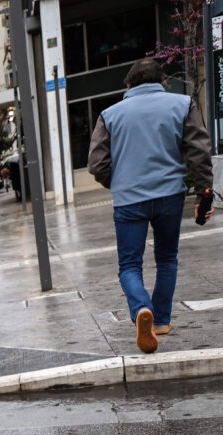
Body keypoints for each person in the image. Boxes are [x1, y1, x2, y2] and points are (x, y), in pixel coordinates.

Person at [88, 58, 214, 353]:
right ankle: (160, 320)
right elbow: (199, 153)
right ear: (162, 82)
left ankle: (142, 309)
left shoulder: (109, 114)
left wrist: (117, 182)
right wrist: (203, 195)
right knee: (167, 259)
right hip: (170, 196)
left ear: (129, 84)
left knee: (129, 265)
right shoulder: (182, 104)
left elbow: (96, 163)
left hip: (129, 200)